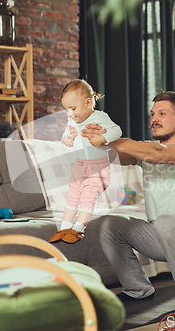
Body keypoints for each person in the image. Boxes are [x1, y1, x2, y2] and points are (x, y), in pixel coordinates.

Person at [82, 91, 175, 314]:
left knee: (165, 221)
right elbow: (114, 156)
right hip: (158, 236)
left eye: (162, 113)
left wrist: (114, 139)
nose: (154, 119)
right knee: (109, 224)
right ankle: (137, 288)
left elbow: (161, 154)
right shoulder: (146, 151)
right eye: (152, 114)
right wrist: (98, 138)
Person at [49, 79, 122, 244]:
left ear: (88, 103)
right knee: (72, 199)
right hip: (79, 168)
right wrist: (66, 140)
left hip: (98, 169)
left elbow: (117, 130)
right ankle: (64, 228)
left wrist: (103, 138)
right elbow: (67, 135)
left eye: (73, 109)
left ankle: (78, 230)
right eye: (67, 110)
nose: (70, 114)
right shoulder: (73, 121)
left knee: (86, 199)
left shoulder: (100, 117)